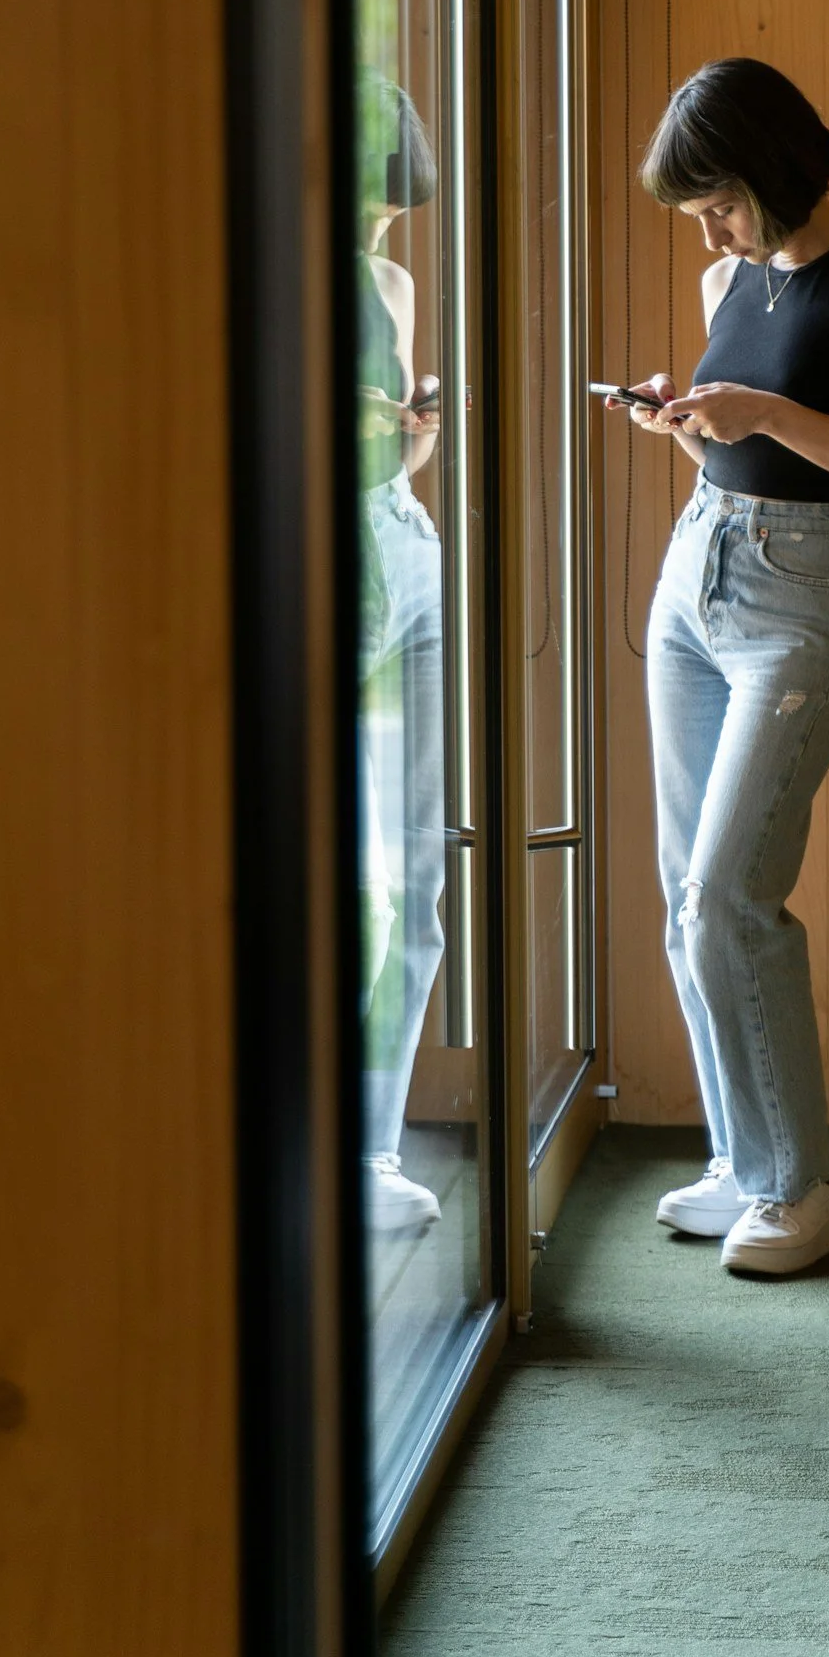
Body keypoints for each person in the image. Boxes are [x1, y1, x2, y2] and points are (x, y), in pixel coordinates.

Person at [619, 58, 829, 1276]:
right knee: (683, 895)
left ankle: (796, 1191)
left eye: (716, 200)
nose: (705, 231)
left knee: (726, 896)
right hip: (693, 578)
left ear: (765, 168)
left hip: (802, 599)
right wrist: (693, 417)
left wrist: (761, 415)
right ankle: (741, 1162)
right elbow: (744, 426)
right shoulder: (727, 273)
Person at [357, 74, 448, 1237]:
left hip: (404, 547)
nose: (381, 236)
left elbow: (389, 463)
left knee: (417, 882)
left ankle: (369, 1151)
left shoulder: (389, 281)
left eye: (393, 216)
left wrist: (410, 438)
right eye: (368, 209)